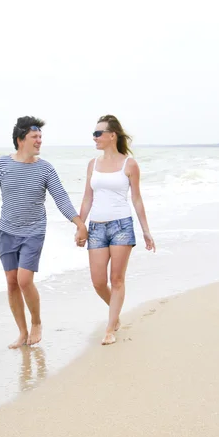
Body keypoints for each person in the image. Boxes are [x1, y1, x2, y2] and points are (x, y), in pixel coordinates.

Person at [0, 116, 88, 349]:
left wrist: (78, 223)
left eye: (40, 137)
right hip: (6, 231)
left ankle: (36, 323)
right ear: (20, 140)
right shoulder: (1, 165)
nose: (39, 141)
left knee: (24, 280)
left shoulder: (45, 168)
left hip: (33, 232)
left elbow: (61, 197)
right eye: (34, 137)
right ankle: (22, 332)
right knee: (11, 282)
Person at [79, 114, 155, 345]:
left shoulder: (129, 164)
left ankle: (110, 328)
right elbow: (87, 199)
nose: (94, 137)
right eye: (94, 133)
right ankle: (116, 314)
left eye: (98, 133)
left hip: (122, 225)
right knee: (98, 281)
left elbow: (137, 200)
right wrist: (80, 226)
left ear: (112, 135)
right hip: (96, 228)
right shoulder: (93, 164)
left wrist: (146, 231)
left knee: (117, 279)